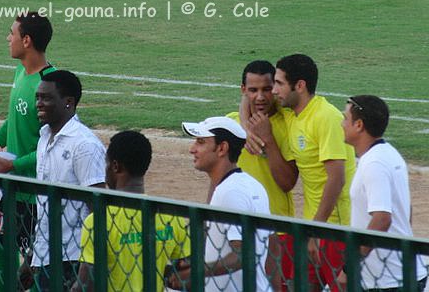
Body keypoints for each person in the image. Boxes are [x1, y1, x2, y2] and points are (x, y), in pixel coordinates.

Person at [271, 53, 356, 292]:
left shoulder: (326, 117)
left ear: (300, 85)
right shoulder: (292, 114)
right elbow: (250, 99)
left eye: (279, 83)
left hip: (335, 229)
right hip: (312, 227)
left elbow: (336, 179)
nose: (274, 91)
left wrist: (317, 230)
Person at [0, 12, 55, 291]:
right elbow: (13, 118)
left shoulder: (51, 84)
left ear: (26, 41)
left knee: (37, 265)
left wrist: (13, 166)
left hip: (36, 195)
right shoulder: (19, 72)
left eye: (11, 33)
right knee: (2, 255)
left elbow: (52, 146)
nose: (8, 38)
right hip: (12, 189)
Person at [73, 131, 190, 291]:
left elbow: (86, 285)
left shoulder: (98, 221)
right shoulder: (170, 215)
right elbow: (185, 272)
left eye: (106, 164)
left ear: (115, 166)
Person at [24, 70, 106, 291]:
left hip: (75, 258)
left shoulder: (84, 145)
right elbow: (46, 209)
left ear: (68, 102)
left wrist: (85, 272)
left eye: (46, 98)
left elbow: (98, 211)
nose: (39, 104)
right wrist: (32, 257)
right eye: (37, 97)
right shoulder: (44, 138)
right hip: (47, 256)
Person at [341, 95, 427, 292]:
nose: (341, 123)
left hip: (388, 281)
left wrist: (350, 267)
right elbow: (406, 211)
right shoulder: (388, 153)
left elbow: (382, 219)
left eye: (345, 118)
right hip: (401, 272)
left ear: (359, 125)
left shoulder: (374, 163)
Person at [178, 116, 272, 292]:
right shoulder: (251, 184)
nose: (192, 149)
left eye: (200, 142)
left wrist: (195, 272)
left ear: (222, 148)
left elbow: (242, 255)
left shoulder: (229, 193)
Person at [230, 60, 296, 289]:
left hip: (278, 232)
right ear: (243, 90)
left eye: (267, 89)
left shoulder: (288, 125)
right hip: (236, 234)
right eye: (253, 90)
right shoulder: (230, 126)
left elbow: (288, 182)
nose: (260, 97)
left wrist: (267, 139)